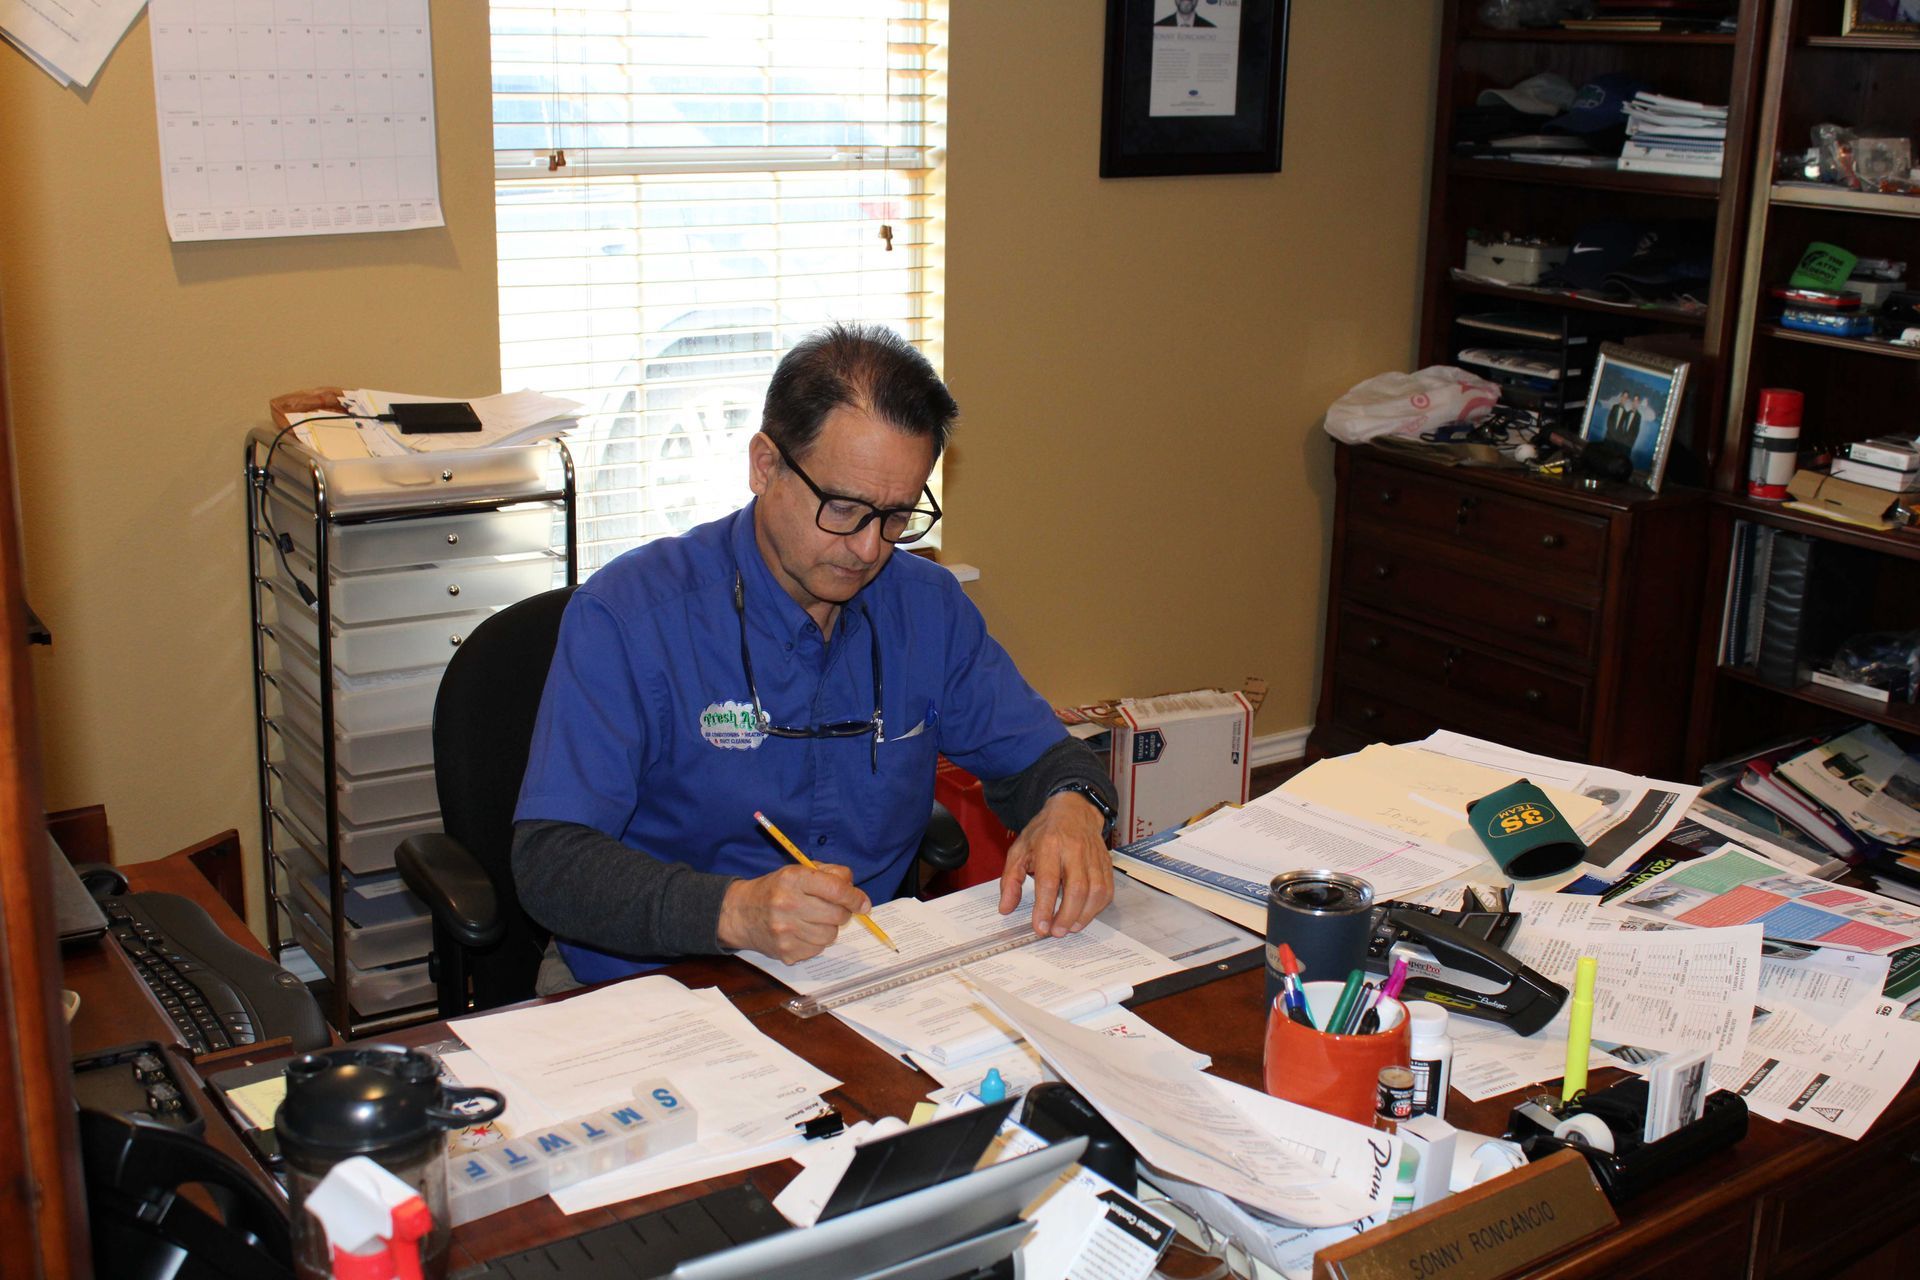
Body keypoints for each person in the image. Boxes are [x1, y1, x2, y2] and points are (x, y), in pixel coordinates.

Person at [514, 323, 1118, 991]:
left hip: (861, 980)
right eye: (843, 509)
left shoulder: (926, 606)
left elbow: (1047, 759)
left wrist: (1072, 806)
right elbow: (551, 864)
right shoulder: (629, 616)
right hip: (657, 983)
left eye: (895, 516)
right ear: (765, 465)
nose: (868, 549)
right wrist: (731, 912)